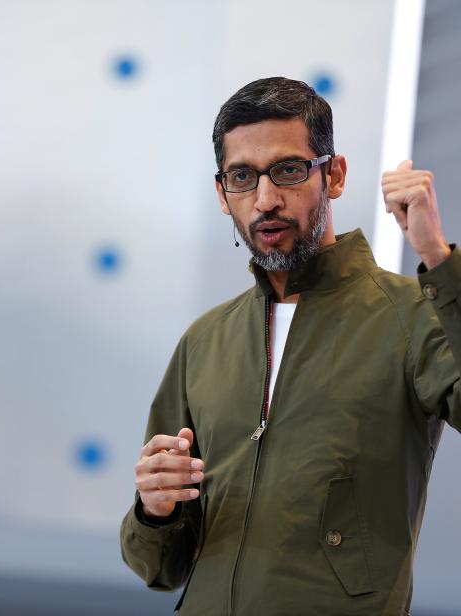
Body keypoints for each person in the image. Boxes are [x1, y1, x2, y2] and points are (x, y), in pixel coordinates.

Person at [119, 77, 460, 615]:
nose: (266, 199)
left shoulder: (412, 313)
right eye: (242, 177)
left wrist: (439, 259)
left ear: (335, 175)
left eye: (288, 170)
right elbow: (159, 567)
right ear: (221, 192)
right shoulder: (205, 341)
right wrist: (154, 511)